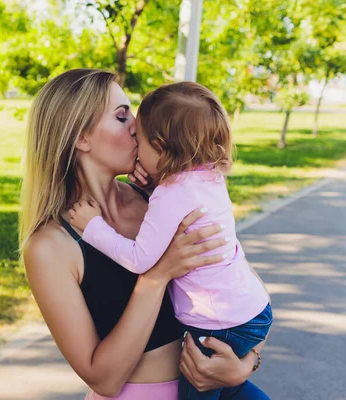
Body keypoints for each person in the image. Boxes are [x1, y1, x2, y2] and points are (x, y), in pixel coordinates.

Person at [20, 69, 267, 400]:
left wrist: (245, 364)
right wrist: (156, 276)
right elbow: (103, 379)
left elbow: (242, 286)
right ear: (81, 137)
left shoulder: (160, 199)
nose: (137, 125)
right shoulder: (50, 246)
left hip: (213, 387)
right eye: (122, 116)